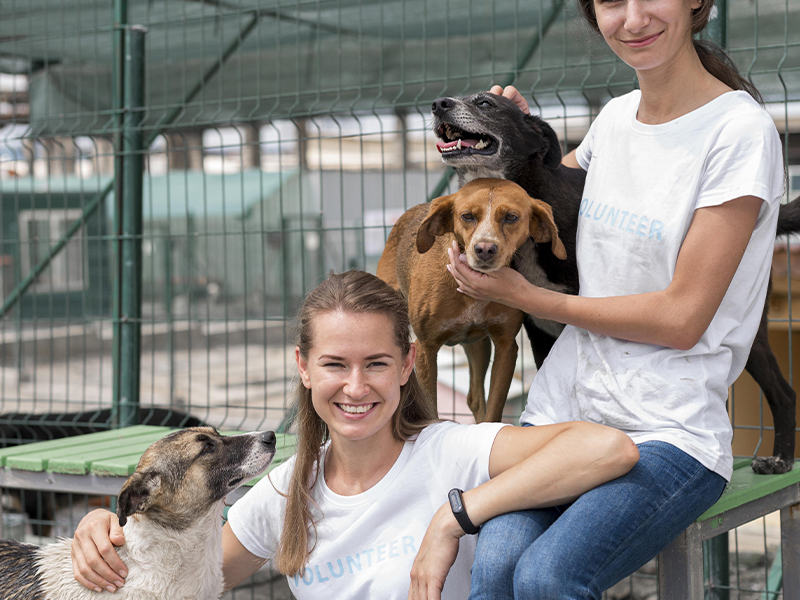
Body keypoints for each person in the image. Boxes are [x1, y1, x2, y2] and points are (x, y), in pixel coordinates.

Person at [440, 0, 785, 598]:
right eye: (611, 2)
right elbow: (539, 197)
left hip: (669, 429)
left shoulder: (739, 133)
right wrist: (508, 138)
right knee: (493, 575)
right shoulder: (615, 119)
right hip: (562, 417)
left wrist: (530, 298)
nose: (633, 19)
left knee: (547, 578)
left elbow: (681, 319)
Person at [69, 270, 638, 599]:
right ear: (303, 367)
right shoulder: (285, 491)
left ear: (409, 363)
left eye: (377, 364)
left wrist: (453, 518)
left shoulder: (449, 453)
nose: (356, 387)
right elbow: (182, 576)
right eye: (335, 364)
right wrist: (107, 531)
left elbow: (607, 447)